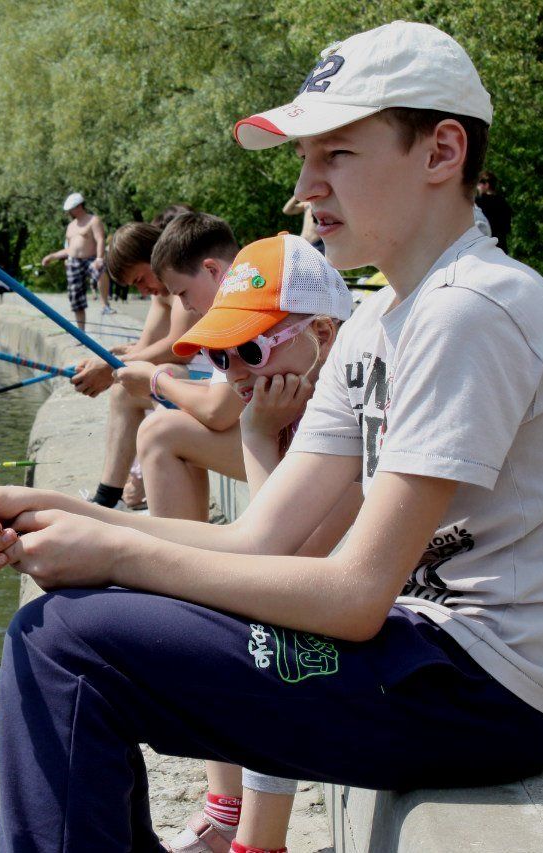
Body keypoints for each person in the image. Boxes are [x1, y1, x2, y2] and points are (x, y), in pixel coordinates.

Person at [0, 21, 543, 853]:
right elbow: (264, 537)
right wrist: (47, 507)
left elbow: (354, 596)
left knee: (67, 645)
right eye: (304, 159)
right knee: (70, 629)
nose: (302, 188)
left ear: (442, 151)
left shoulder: (471, 307)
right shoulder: (381, 318)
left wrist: (113, 555)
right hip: (427, 660)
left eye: (334, 155)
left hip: (481, 695)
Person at [161, 233, 363, 853]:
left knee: (266, 622)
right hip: (360, 601)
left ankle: (252, 838)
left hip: (425, 629)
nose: (237, 374)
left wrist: (254, 434)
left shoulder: (356, 413)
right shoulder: (306, 398)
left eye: (250, 349)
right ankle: (229, 814)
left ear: (324, 335)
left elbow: (280, 566)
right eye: (222, 358)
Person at [112, 212, 248, 522]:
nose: (185, 307)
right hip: (286, 437)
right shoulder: (249, 290)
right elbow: (223, 393)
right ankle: (189, 548)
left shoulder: (239, 311)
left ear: (211, 269)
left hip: (299, 448)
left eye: (183, 294)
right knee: (173, 419)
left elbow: (218, 411)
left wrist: (155, 379)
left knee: (160, 432)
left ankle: (180, 557)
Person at [76, 218, 202, 510]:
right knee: (126, 385)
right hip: (198, 373)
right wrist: (110, 357)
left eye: (141, 279)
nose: (144, 290)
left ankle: (108, 501)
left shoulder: (181, 283)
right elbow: (147, 348)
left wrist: (111, 367)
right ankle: (108, 500)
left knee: (128, 386)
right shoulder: (162, 293)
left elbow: (179, 347)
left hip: (212, 376)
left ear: (153, 256)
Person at [41, 192, 106, 331]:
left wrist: (99, 258)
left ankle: (105, 304)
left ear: (79, 206)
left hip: (91, 259)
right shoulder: (70, 226)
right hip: (74, 262)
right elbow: (69, 249)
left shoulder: (93, 220)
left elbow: (100, 239)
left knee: (101, 271)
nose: (69, 212)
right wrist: (51, 257)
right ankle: (81, 332)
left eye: (70, 209)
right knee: (76, 298)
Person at [475, 169, 512, 250]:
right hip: (501, 246)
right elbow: (507, 228)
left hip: (484, 245)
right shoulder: (503, 202)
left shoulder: (479, 202)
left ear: (486, 184)